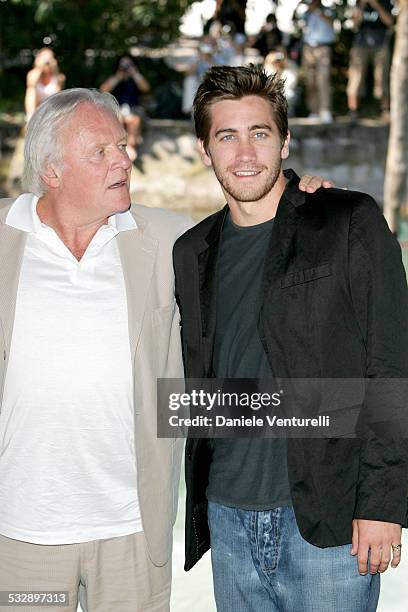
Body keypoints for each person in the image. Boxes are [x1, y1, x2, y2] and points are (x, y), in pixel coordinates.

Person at [173, 65, 408, 611]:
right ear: (205, 150)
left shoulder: (348, 220)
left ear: (286, 142)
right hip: (227, 520)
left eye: (260, 133)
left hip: (328, 525)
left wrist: (383, 504)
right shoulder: (191, 250)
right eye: (226, 136)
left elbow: (392, 366)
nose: (246, 152)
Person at [0, 88, 190, 612]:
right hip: (19, 538)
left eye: (122, 147)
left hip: (132, 534)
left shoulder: (172, 240)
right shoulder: (3, 236)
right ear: (52, 171)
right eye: (101, 152)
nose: (123, 161)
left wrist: (305, 203)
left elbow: (255, 240)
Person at [347, 0, 394, 121]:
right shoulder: (358, 2)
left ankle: (385, 110)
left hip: (381, 43)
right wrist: (361, 5)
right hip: (360, 43)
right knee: (356, 77)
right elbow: (354, 24)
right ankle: (353, 110)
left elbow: (389, 22)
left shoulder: (386, 2)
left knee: (382, 76)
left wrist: (375, 4)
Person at [101, 54, 150, 161]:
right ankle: (126, 150)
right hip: (117, 110)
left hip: (134, 109)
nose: (126, 66)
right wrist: (117, 78)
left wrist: (135, 73)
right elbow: (103, 90)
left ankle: (129, 149)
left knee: (134, 120)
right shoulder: (115, 77)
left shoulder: (136, 78)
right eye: (123, 64)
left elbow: (146, 88)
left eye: (129, 64)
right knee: (119, 118)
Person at [300, 0, 335, 123]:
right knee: (310, 81)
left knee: (323, 79)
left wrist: (317, 11)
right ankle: (313, 111)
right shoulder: (305, 13)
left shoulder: (328, 10)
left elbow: (331, 22)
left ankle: (325, 111)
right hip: (308, 48)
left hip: (323, 47)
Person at [24, 48, 65, 122]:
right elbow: (31, 84)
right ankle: (30, 118)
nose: (47, 62)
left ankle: (54, 117)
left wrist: (54, 68)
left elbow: (58, 93)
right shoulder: (32, 74)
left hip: (51, 106)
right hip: (36, 106)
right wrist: (39, 67)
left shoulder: (59, 77)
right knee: (30, 91)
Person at [264, 49, 299, 116]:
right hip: (272, 92)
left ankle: (287, 112)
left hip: (285, 92)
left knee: (289, 94)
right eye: (276, 61)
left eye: (280, 61)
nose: (278, 63)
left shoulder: (289, 69)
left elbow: (291, 84)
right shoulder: (269, 68)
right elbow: (267, 83)